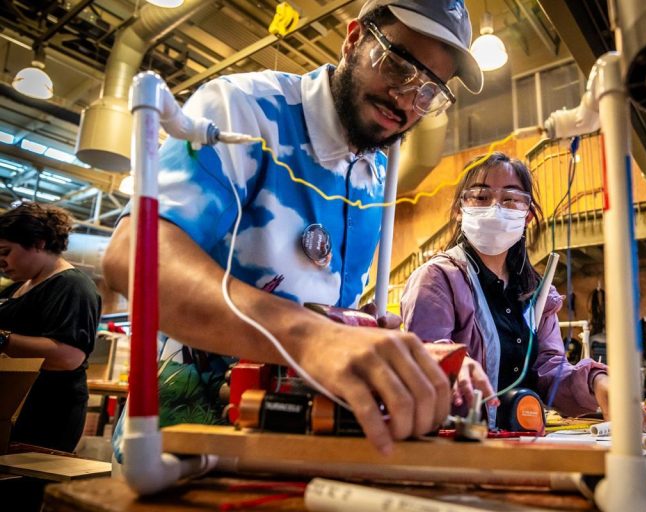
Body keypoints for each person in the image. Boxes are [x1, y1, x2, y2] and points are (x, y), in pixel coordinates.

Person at [103, 0, 483, 455]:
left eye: (428, 92)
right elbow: (132, 257)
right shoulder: (243, 110)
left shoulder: (373, 171)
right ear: (354, 38)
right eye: (398, 65)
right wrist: (308, 337)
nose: (405, 101)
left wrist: (407, 363)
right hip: (181, 451)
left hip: (294, 449)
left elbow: (330, 317)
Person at [400, 152, 610, 427]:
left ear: (528, 216)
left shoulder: (536, 291)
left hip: (523, 439)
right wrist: (451, 365)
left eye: (510, 199)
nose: (495, 208)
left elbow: (550, 370)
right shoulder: (437, 279)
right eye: (481, 197)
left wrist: (598, 382)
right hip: (458, 446)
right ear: (459, 210)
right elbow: (428, 357)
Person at [0, 202, 102, 452]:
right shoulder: (15, 288)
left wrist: (3, 340)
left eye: (5, 251)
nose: (1, 261)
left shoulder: (73, 286)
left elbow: (68, 357)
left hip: (47, 411)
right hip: (12, 405)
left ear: (39, 242)